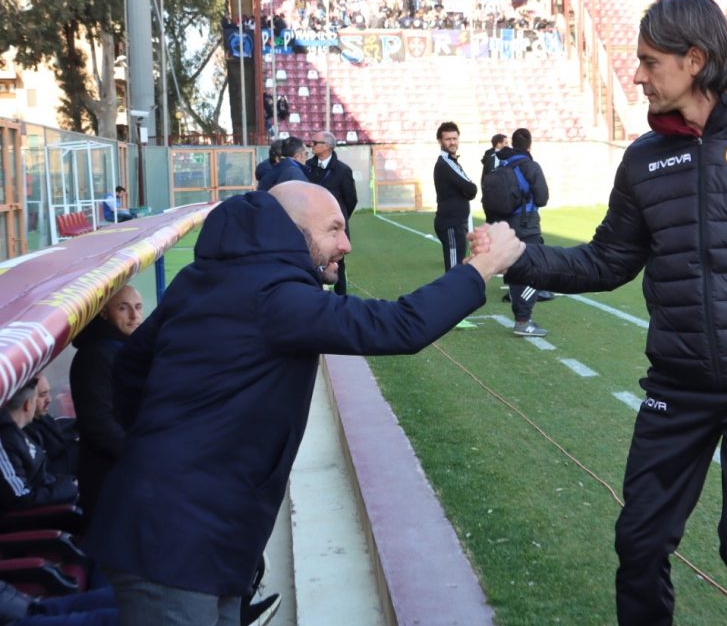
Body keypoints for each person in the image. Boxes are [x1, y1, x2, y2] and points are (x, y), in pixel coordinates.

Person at [471, 0, 727, 626]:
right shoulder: (644, 160)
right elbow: (605, 262)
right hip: (676, 389)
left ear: (694, 60)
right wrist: (516, 256)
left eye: (649, 62)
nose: (636, 75)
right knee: (640, 543)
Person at [83, 182, 524, 625]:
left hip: (196, 531)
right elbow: (398, 326)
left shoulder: (208, 277)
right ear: (291, 232)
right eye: (333, 229)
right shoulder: (274, 297)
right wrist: (481, 266)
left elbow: (131, 370)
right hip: (176, 542)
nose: (345, 243)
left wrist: (165, 446)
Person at [69, 285, 143, 521]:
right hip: (111, 477)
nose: (134, 316)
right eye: (123, 308)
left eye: (138, 307)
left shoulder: (127, 350)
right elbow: (98, 423)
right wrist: (140, 456)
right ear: (104, 313)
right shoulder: (95, 356)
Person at [490, 128, 550, 337]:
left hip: (506, 226)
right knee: (537, 271)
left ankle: (520, 318)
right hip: (527, 225)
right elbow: (542, 198)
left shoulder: (501, 164)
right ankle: (523, 320)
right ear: (529, 145)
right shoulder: (530, 166)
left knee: (516, 271)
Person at [0, 380, 78, 511]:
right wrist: (70, 488)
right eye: (39, 396)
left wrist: (69, 484)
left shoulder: (18, 432)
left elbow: (41, 478)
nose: (49, 400)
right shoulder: (5, 440)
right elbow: (20, 498)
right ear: (28, 404)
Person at [305, 131, 358, 295]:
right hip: (311, 226)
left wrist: (338, 221)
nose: (311, 145)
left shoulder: (343, 170)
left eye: (315, 143)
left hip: (334, 229)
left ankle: (342, 300)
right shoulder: (307, 167)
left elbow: (351, 200)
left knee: (337, 264)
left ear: (327, 146)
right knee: (310, 262)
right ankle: (314, 297)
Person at [432, 122, 477, 273]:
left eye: (454, 138)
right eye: (448, 139)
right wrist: (467, 191)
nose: (452, 142)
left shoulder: (453, 162)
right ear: (440, 141)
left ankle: (455, 295)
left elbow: (468, 189)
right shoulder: (445, 163)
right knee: (453, 270)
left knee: (458, 267)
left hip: (457, 223)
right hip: (450, 224)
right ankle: (449, 296)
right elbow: (471, 189)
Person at [23, 374, 77, 478]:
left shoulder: (41, 418)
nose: (49, 399)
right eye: (42, 395)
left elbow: (58, 429)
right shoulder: (24, 436)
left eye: (48, 392)